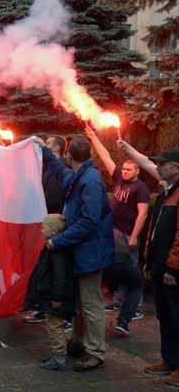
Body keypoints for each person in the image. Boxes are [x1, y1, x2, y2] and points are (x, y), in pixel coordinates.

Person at [33, 136, 114, 372]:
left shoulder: (89, 181)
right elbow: (59, 171)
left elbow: (89, 221)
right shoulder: (79, 175)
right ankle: (78, 343)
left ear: (69, 155)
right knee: (78, 302)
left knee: (90, 304)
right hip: (82, 252)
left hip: (91, 253)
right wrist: (45, 150)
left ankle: (95, 352)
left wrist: (59, 239)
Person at [85, 126, 149, 319]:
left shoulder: (141, 188)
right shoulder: (120, 178)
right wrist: (93, 137)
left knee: (132, 272)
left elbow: (143, 214)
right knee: (120, 269)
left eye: (130, 169)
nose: (126, 172)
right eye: (125, 169)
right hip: (115, 234)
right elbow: (106, 158)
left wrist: (135, 237)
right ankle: (120, 303)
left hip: (129, 235)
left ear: (138, 170)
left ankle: (135, 308)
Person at [141, 148, 179, 386]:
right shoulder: (166, 192)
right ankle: (169, 360)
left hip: (172, 270)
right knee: (164, 316)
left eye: (163, 163)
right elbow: (154, 231)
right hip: (159, 265)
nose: (158, 167)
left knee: (177, 318)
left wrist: (173, 268)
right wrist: (148, 260)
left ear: (177, 167)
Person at [25, 135, 70, 324]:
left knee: (51, 268)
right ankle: (41, 306)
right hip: (48, 224)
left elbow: (52, 196)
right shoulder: (48, 167)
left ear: (57, 149)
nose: (44, 146)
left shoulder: (60, 168)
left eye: (48, 144)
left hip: (53, 225)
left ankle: (49, 309)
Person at [23, 214, 74, 370]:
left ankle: (59, 358)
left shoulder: (57, 250)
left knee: (55, 327)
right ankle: (58, 354)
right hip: (53, 295)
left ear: (53, 231)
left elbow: (60, 275)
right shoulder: (54, 248)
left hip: (56, 297)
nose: (40, 230)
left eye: (43, 227)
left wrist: (56, 297)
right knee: (53, 325)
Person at [102, 228, 145, 335]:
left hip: (101, 262)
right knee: (137, 285)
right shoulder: (119, 232)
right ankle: (123, 321)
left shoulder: (94, 227)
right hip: (124, 263)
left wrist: (111, 289)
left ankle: (70, 320)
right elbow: (119, 272)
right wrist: (111, 289)